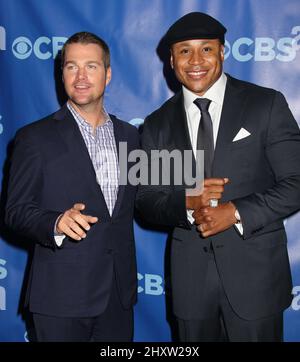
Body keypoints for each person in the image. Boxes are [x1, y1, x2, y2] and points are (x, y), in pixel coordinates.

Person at [136, 12, 300, 342]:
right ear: (171, 60)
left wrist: (236, 211)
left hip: (256, 281)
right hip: (191, 287)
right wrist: (186, 201)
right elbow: (145, 201)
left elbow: (296, 182)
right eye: (184, 51)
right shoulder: (157, 124)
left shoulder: (265, 104)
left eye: (206, 49)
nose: (195, 60)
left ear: (222, 52)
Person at [5, 32, 139, 342]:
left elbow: (146, 196)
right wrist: (55, 221)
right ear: (61, 73)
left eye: (91, 66)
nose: (80, 76)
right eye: (71, 66)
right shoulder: (34, 138)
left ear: (107, 74)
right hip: (59, 298)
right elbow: (15, 212)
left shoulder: (131, 137)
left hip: (117, 297)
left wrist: (192, 192)